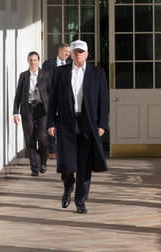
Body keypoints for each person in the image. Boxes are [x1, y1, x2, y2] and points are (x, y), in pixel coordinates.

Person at [46, 40, 109, 214]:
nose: (78, 54)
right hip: (66, 122)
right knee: (66, 162)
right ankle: (68, 185)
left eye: (81, 52)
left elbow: (103, 100)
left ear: (87, 54)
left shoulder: (97, 73)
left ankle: (80, 201)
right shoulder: (61, 73)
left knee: (84, 164)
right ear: (71, 54)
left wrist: (102, 124)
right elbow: (53, 100)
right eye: (75, 52)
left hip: (88, 124)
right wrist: (50, 122)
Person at [13, 51, 50, 176]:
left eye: (35, 60)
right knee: (30, 139)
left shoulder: (45, 74)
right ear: (28, 61)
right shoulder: (23, 76)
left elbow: (51, 93)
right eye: (31, 60)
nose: (33, 62)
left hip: (42, 110)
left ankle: (43, 161)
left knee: (43, 139)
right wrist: (15, 113)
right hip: (27, 109)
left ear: (38, 60)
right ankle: (35, 167)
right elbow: (18, 95)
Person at [42, 43, 72, 159]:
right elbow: (43, 81)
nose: (68, 54)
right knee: (51, 123)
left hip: (65, 99)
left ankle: (64, 148)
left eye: (69, 53)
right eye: (66, 52)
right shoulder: (48, 64)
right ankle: (52, 150)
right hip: (50, 98)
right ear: (60, 50)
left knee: (64, 124)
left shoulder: (70, 64)